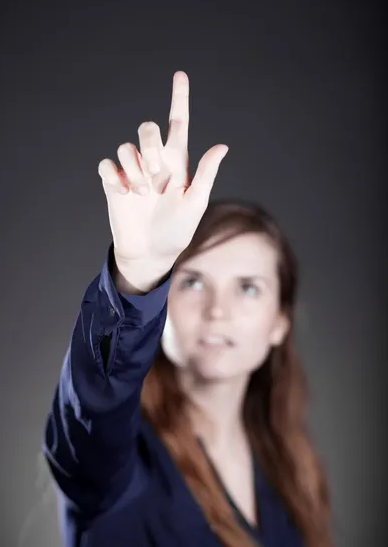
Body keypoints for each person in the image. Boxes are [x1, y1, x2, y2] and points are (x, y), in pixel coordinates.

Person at [43, 72, 332, 547]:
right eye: (193, 281)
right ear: (165, 298)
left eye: (249, 288)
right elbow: (92, 407)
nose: (217, 310)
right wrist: (140, 273)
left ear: (281, 321)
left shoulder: (291, 466)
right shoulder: (115, 463)